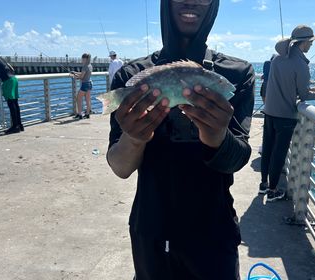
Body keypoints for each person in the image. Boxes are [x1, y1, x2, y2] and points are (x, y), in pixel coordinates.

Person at [107, 0, 255, 279]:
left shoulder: (237, 73)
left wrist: (216, 135)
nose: (191, 1)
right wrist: (134, 138)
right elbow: (120, 166)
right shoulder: (132, 76)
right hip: (150, 231)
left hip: (214, 231)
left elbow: (238, 158)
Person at [259, 25, 315, 201]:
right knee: (279, 153)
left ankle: (263, 186)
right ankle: (273, 191)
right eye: (310, 42)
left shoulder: (278, 59)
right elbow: (303, 95)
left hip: (270, 112)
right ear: (304, 43)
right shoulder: (301, 64)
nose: (311, 46)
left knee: (268, 149)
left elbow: (286, 85)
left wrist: (310, 88)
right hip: (285, 116)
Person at [71, 53, 93, 119]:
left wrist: (74, 76)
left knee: (78, 99)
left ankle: (80, 114)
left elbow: (81, 77)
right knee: (87, 100)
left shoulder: (85, 66)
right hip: (90, 83)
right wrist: (75, 72)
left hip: (85, 84)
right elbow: (84, 74)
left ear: (86, 59)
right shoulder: (90, 65)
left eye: (83, 59)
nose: (82, 60)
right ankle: (87, 114)